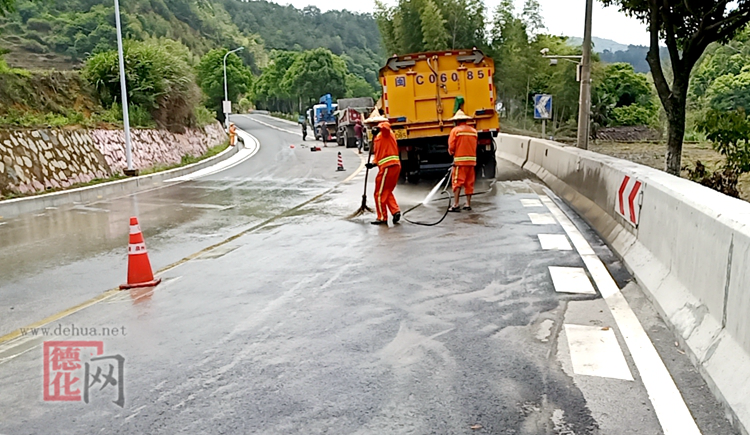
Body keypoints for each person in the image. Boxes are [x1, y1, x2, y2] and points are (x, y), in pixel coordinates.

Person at [364, 108, 401, 225]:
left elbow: (386, 125)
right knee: (386, 191)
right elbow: (380, 154)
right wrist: (373, 163)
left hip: (388, 167)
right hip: (391, 165)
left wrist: (378, 127)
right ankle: (395, 211)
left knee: (378, 193)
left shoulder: (385, 132)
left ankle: (382, 217)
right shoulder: (379, 137)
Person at [447, 109, 477, 212]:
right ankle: (468, 203)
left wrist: (451, 152)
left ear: (457, 121)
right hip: (472, 162)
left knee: (457, 182)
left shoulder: (455, 131)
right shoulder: (474, 132)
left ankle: (456, 204)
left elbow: (451, 146)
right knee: (469, 183)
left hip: (460, 162)